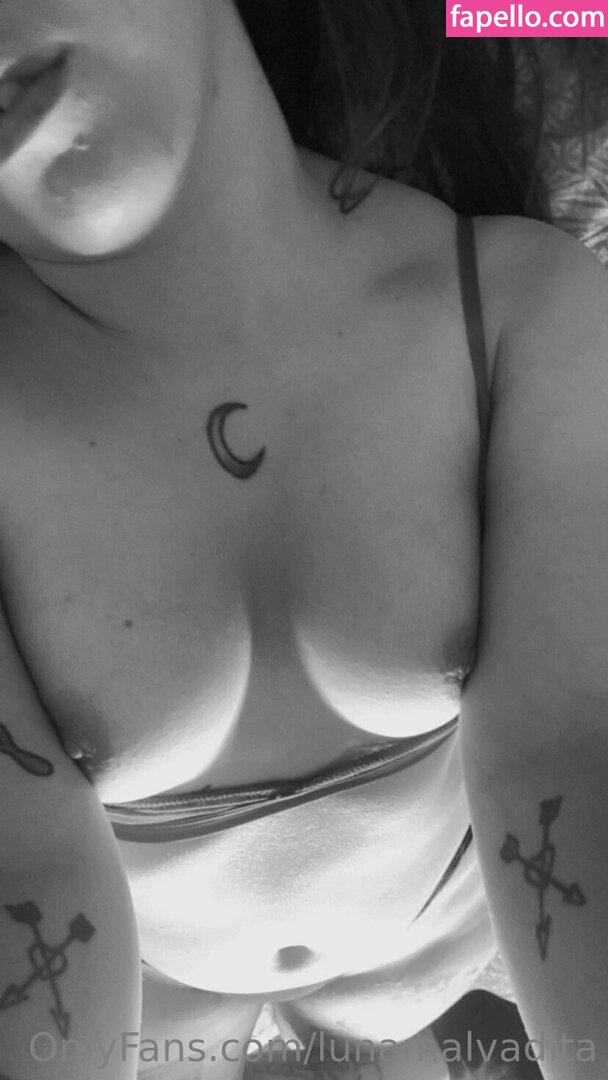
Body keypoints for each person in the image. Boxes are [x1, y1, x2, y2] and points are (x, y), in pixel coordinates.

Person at [0, 4, 606, 1079]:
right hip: (157, 993)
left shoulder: (523, 317)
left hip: (443, 942)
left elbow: (568, 753)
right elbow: (26, 877)